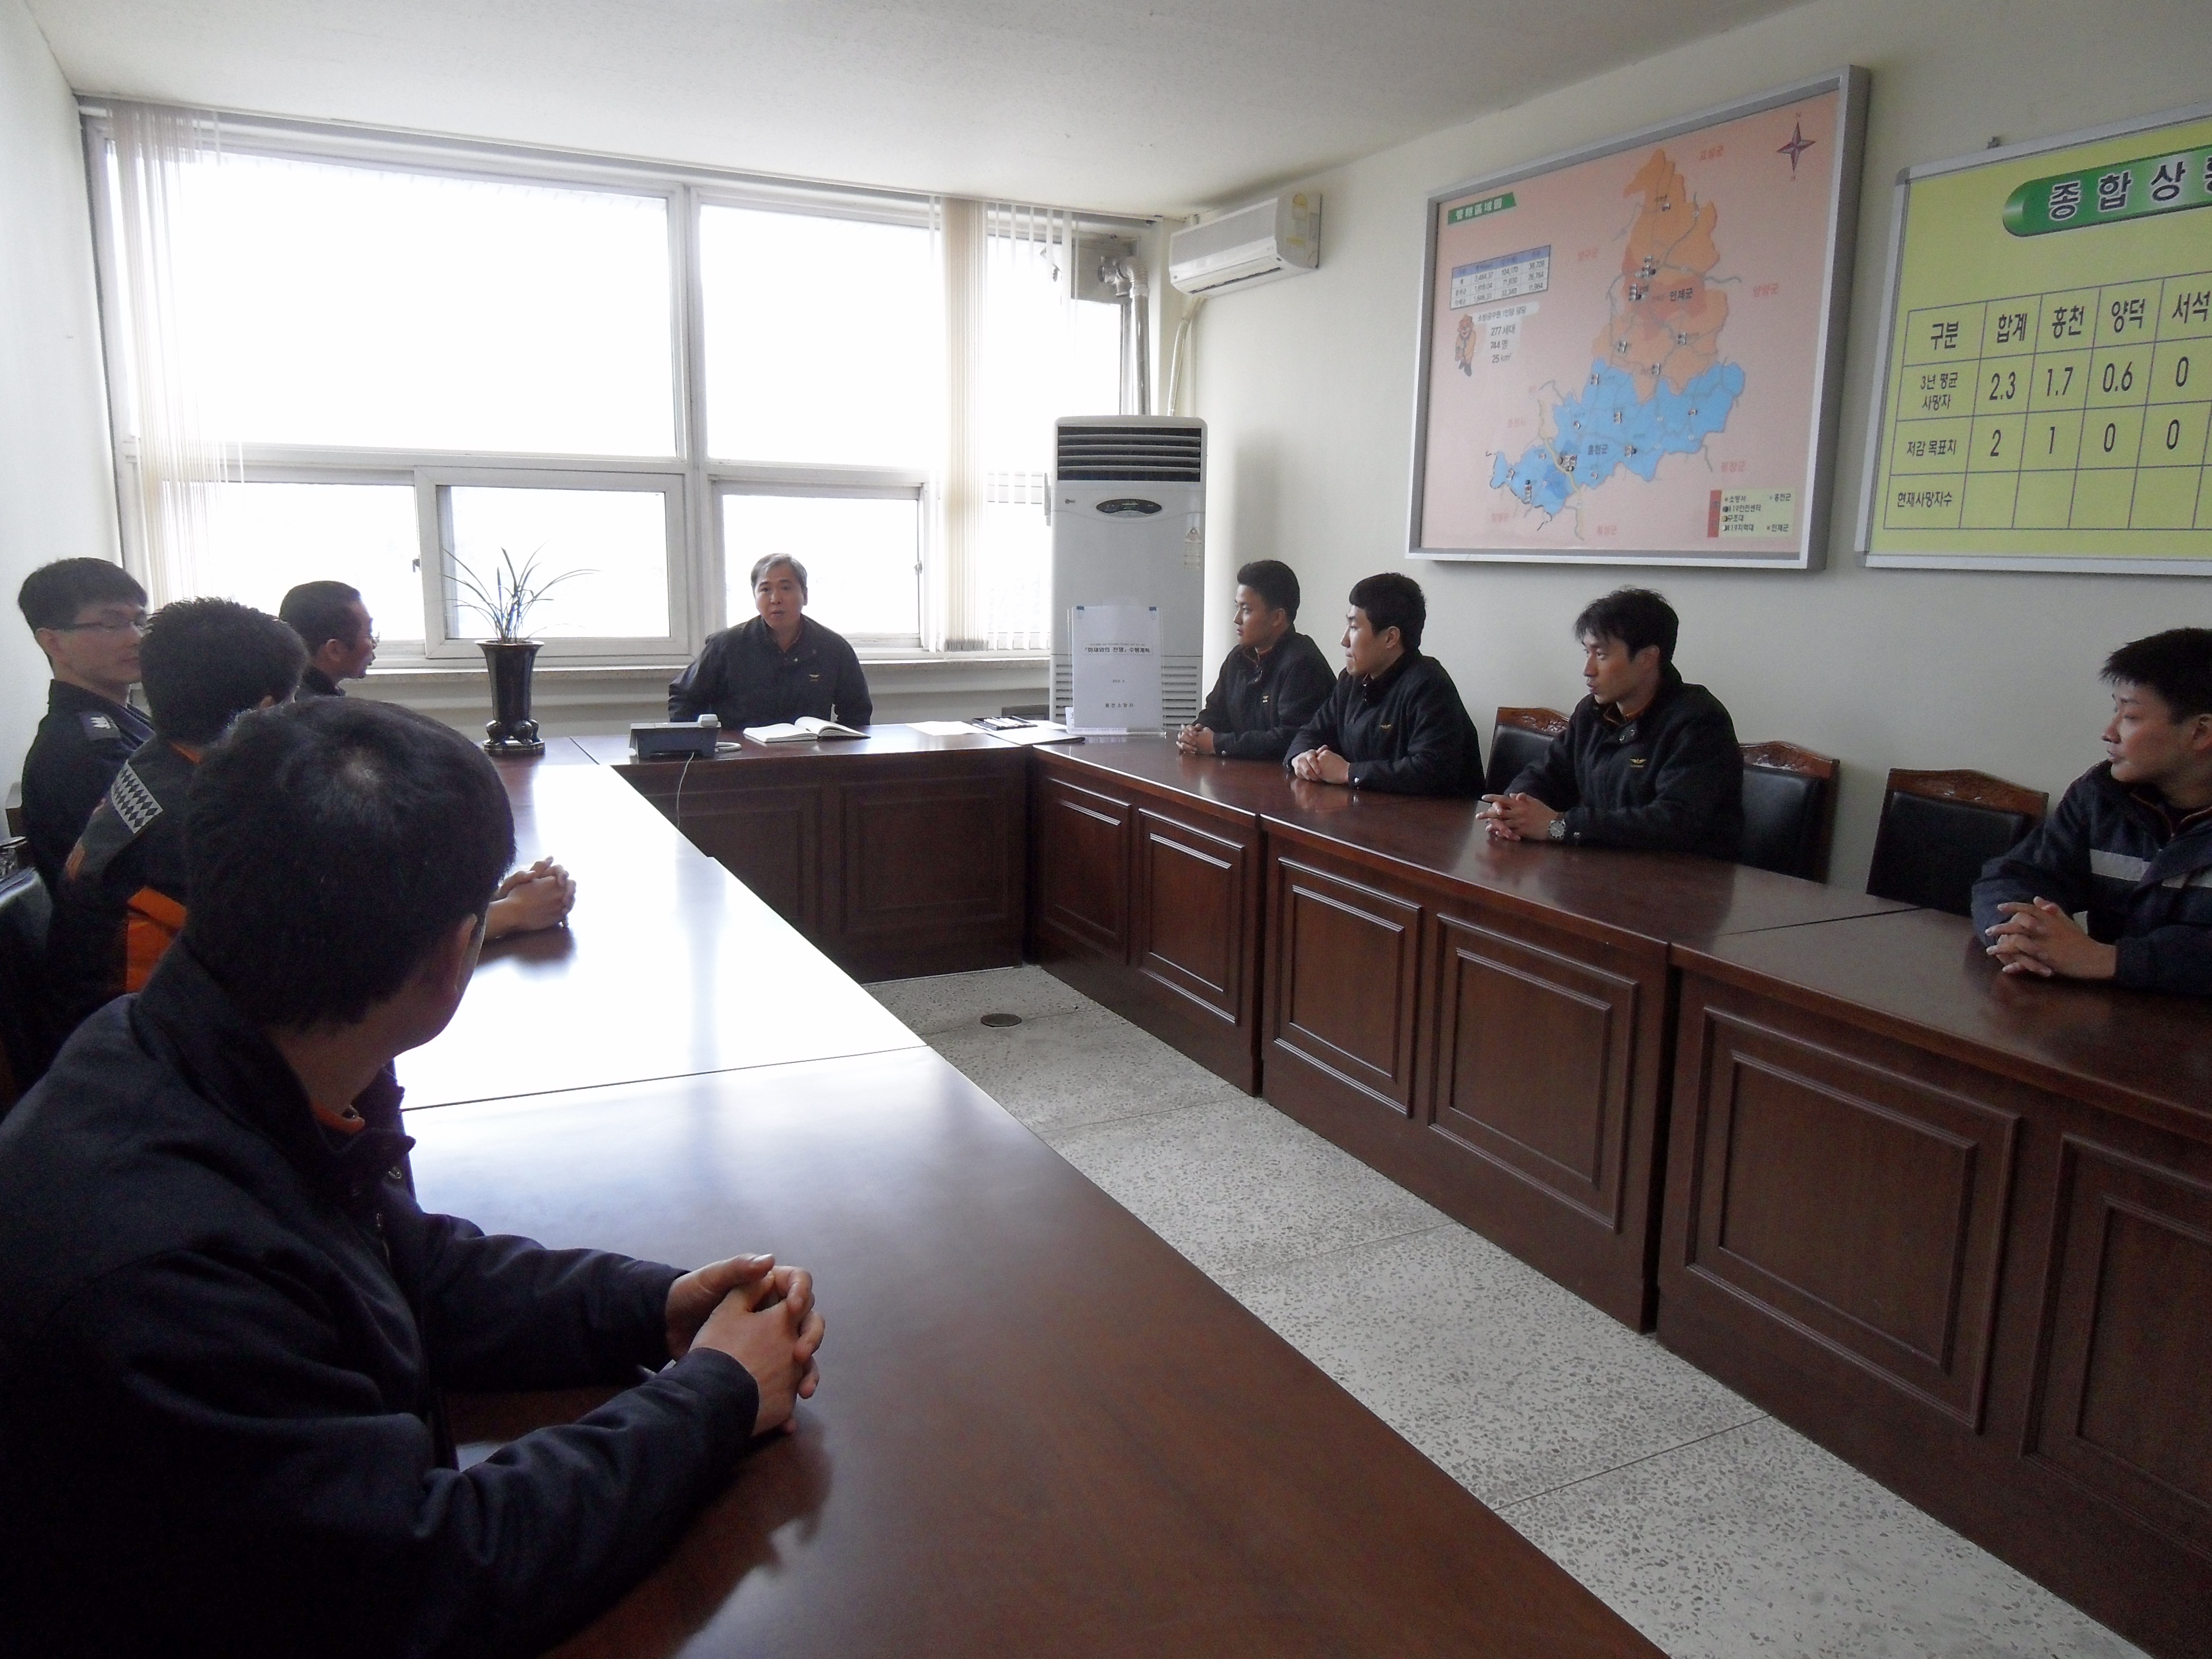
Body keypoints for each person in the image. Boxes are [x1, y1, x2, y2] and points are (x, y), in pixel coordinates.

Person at [0, 697, 824, 1656]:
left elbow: (396, 1263)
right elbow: (425, 1576)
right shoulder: (163, 1272)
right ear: (449, 959)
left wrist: (649, 1307)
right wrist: (716, 1396)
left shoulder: (176, 1046)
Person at [45, 598, 306, 1034]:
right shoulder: (203, 827)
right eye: (294, 702)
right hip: (146, 1048)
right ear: (264, 713)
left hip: (112, 1021)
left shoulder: (161, 756)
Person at [1974, 628, 2212, 994]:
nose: (2109, 732)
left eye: (2130, 716)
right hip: (2111, 1013)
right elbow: (2015, 875)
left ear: (2200, 732)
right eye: (2115, 710)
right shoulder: (2102, 797)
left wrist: (2109, 960)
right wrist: (2020, 932)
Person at [1479, 587, 1742, 859]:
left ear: (1648, 658)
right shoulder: (1592, 712)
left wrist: (1560, 826)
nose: (1587, 670)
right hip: (1599, 866)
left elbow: (1674, 821)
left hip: (1680, 876)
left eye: (1601, 655)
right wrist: (1511, 809)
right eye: (1587, 653)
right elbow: (1547, 774)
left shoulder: (1699, 721)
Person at [16, 558, 154, 894]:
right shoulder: (84, 749)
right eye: (112, 623)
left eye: (139, 621)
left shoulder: (126, 719)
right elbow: (150, 863)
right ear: (53, 643)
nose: (136, 638)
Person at [1282, 572, 1481, 796]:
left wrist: (1349, 772)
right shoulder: (1351, 681)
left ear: (1390, 638)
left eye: (1354, 628)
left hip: (1435, 815)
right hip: (1369, 808)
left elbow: (1432, 771)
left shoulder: (1429, 686)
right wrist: (1300, 757)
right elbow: (1310, 733)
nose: (1344, 640)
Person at [670, 554, 872, 729]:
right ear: (755, 598)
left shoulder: (833, 648)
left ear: (805, 596)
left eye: (786, 588)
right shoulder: (726, 646)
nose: (776, 599)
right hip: (740, 756)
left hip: (810, 756)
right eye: (766, 590)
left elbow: (857, 712)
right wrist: (703, 746)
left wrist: (833, 749)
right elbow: (684, 699)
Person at [1176, 559, 1336, 762]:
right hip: (1240, 773)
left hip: (1285, 778)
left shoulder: (1303, 663)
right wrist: (1194, 734)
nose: (1237, 619)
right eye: (1237, 607)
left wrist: (1219, 744)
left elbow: (1291, 738)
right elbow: (1215, 713)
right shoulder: (1238, 658)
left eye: (1246, 610)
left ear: (1277, 618)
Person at [280, 578, 377, 697]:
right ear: (334, 650)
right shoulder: (314, 707)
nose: (374, 644)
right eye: (369, 633)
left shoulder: (281, 691)